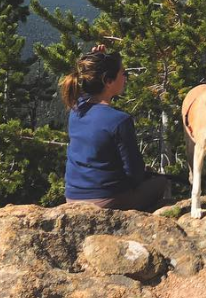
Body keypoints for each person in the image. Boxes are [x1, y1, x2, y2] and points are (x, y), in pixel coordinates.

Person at [60, 45, 168, 210]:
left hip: (72, 197)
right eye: (122, 73)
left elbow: (86, 88)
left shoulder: (76, 109)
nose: (125, 77)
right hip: (107, 200)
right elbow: (134, 173)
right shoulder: (119, 120)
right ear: (108, 81)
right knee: (161, 182)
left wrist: (98, 59)